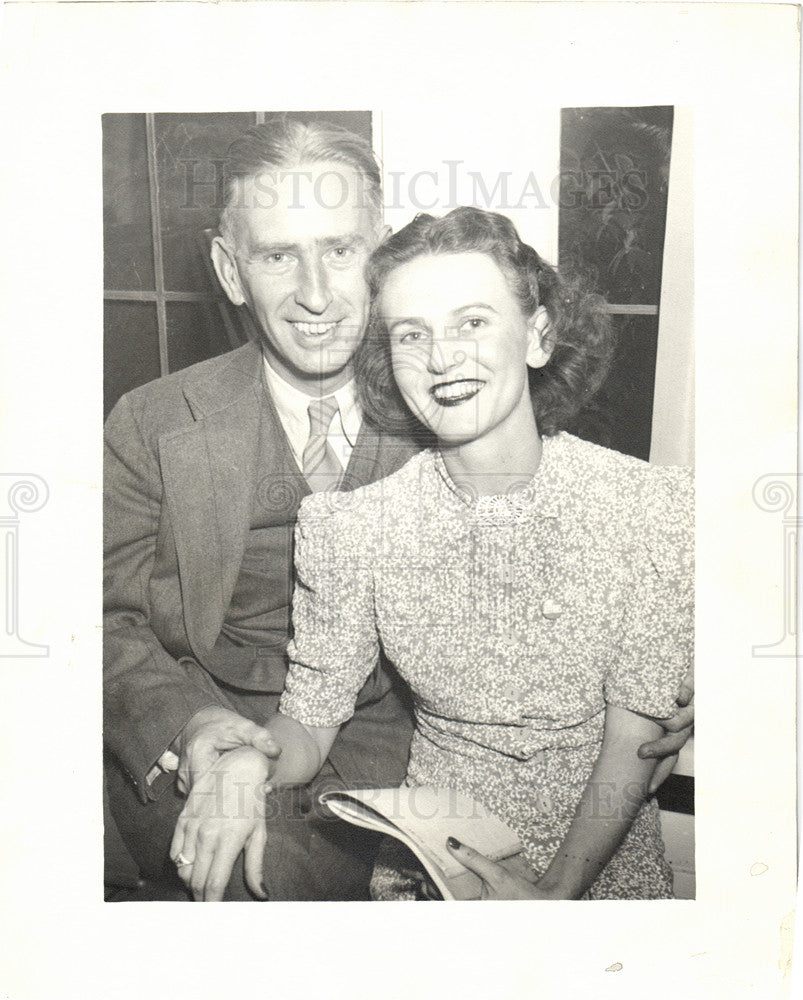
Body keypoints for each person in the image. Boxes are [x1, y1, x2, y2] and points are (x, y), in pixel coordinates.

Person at [106, 119, 692, 903]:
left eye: (341, 250)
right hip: (221, 741)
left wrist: (681, 686)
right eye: (279, 254)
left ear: (378, 257)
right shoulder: (153, 419)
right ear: (229, 269)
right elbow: (102, 619)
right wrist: (205, 735)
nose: (314, 294)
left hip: (401, 764)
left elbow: (607, 576)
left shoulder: (460, 404)